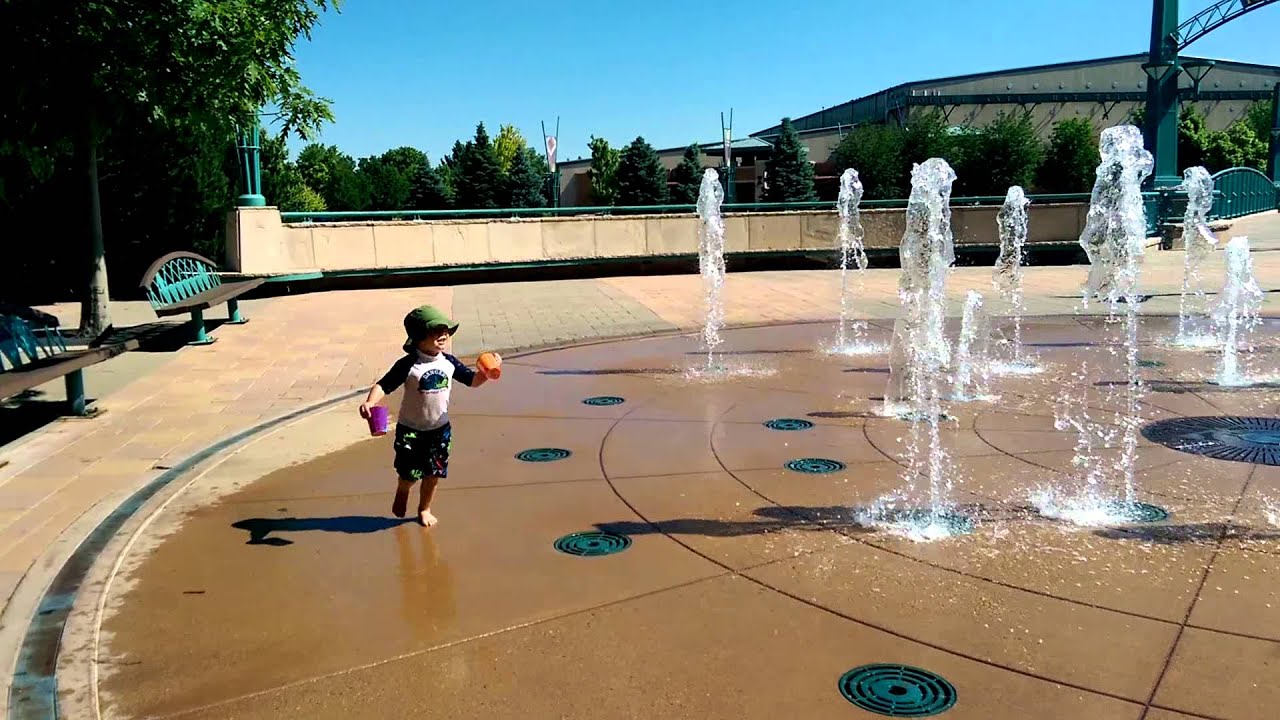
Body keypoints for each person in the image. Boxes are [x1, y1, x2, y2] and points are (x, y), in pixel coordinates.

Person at [360, 305, 489, 527]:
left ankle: (424, 509)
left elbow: (472, 380)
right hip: (411, 430)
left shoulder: (448, 361)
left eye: (446, 329)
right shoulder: (409, 364)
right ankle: (403, 487)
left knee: (434, 473)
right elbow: (384, 385)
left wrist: (488, 372)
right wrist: (370, 402)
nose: (444, 334)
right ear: (419, 337)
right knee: (410, 473)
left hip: (440, 430)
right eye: (436, 330)